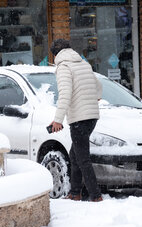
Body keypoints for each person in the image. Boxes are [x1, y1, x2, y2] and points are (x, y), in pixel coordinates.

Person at [48, 39, 103, 202]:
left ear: (55, 55)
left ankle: (96, 195)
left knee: (83, 158)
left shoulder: (63, 67)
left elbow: (65, 94)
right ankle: (75, 192)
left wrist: (57, 120)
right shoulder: (83, 64)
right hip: (92, 117)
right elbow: (98, 85)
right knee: (75, 155)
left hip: (79, 118)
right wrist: (96, 98)